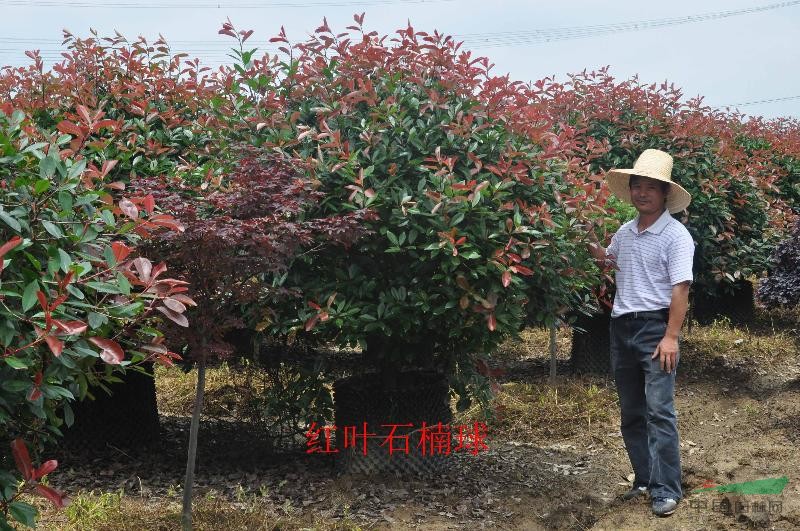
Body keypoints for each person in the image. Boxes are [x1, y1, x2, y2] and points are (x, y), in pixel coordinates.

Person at [585, 148, 694, 517]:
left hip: (655, 328)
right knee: (631, 412)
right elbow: (608, 260)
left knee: (659, 411)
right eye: (637, 186)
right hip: (621, 327)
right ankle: (645, 479)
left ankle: (667, 488)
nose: (642, 193)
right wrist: (585, 235)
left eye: (651, 187)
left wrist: (670, 337)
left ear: (665, 194)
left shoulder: (676, 236)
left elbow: (681, 288)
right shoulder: (625, 232)